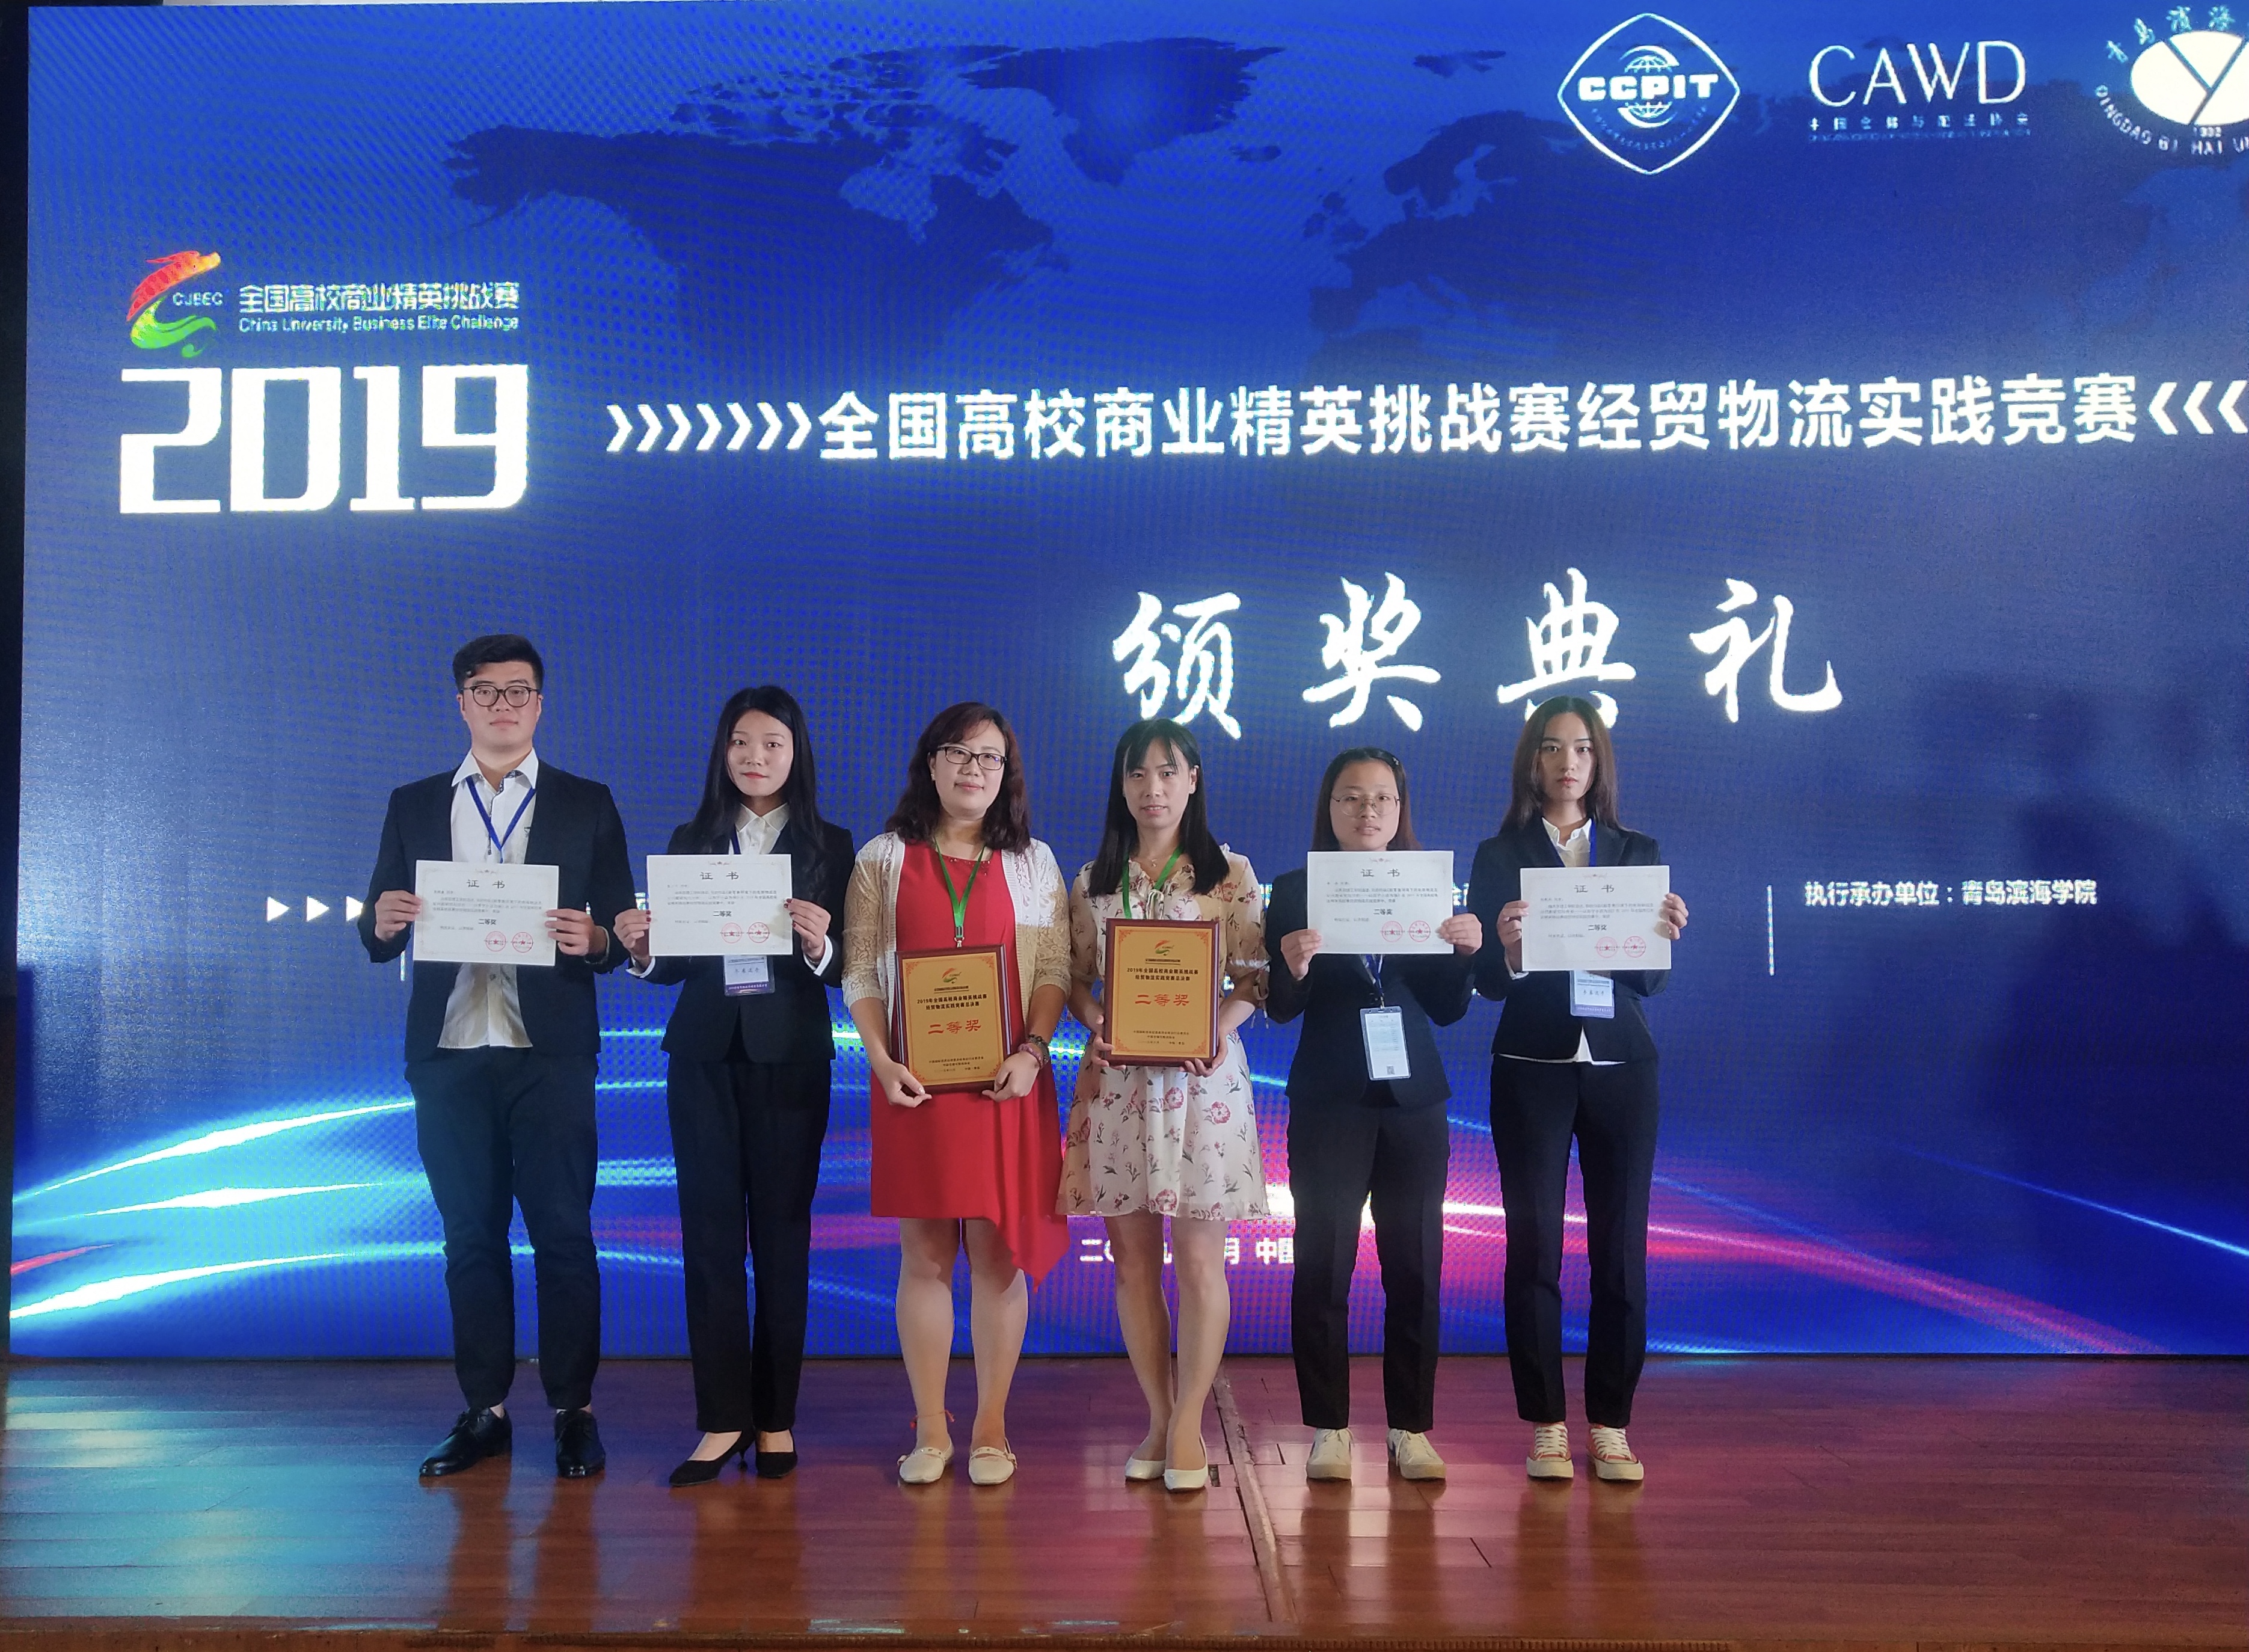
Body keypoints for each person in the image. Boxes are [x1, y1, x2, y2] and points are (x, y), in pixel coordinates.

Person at [357, 634, 636, 1479]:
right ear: (463, 702)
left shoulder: (586, 801)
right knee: (469, 1237)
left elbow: (616, 929)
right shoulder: (413, 803)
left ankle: (573, 1409)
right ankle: (485, 1410)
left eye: (519, 690)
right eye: (486, 690)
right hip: (449, 1051)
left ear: (540, 704)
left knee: (563, 1233)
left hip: (548, 1051)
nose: (503, 704)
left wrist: (596, 938)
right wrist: (381, 921)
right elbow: (376, 925)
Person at [614, 686, 854, 1487]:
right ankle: (721, 1419)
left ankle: (775, 1416)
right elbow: (675, 963)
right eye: (742, 742)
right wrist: (643, 950)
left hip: (791, 1059)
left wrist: (821, 947)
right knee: (710, 1239)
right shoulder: (691, 840)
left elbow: (850, 965)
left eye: (772, 743)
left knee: (784, 1236)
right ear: (723, 751)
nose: (756, 757)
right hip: (704, 1058)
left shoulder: (832, 844)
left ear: (796, 753)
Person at [841, 703, 1070, 1487]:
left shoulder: (1033, 862)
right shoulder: (881, 858)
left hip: (1007, 1082)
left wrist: (1033, 1051)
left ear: (1007, 774)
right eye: (958, 753)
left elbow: (1053, 970)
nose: (974, 769)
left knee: (998, 1257)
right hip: (916, 1085)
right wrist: (880, 1059)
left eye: (990, 757)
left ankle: (992, 1426)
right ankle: (932, 1426)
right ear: (930, 763)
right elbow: (861, 970)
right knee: (926, 1255)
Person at [1464, 695, 1689, 1484]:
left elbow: (1650, 980)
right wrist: (1509, 947)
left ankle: (1612, 1422)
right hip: (1531, 1062)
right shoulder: (1500, 853)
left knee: (1620, 1251)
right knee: (1533, 1249)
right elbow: (1486, 981)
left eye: (1583, 748)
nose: (1568, 762)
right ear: (1532, 761)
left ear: (1600, 761)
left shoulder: (1636, 850)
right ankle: (1547, 1424)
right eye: (1553, 747)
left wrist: (1665, 931)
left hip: (1623, 1068)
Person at [1264, 748, 1482, 1485]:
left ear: (1399, 809)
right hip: (1330, 1096)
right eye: (1351, 797)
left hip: (1413, 1100)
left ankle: (1409, 1426)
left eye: (1382, 798)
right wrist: (1292, 967)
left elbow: (1447, 1009)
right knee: (1323, 1264)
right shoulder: (1295, 890)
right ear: (1329, 807)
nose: (1367, 810)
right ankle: (1327, 1426)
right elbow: (1281, 1007)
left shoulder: (1426, 886)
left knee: (1415, 1266)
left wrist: (1463, 955)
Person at [1062, 719, 1268, 1493]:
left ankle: (1188, 1424)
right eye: (1137, 773)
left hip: (1202, 1084)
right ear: (1120, 785)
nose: (1152, 787)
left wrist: (1217, 1028)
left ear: (1192, 780)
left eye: (1167, 771)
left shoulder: (1229, 873)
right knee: (1132, 1265)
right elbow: (1074, 978)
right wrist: (1099, 1022)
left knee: (1202, 1263)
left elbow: (1255, 976)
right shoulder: (1092, 879)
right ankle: (1156, 1415)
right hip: (1118, 1086)